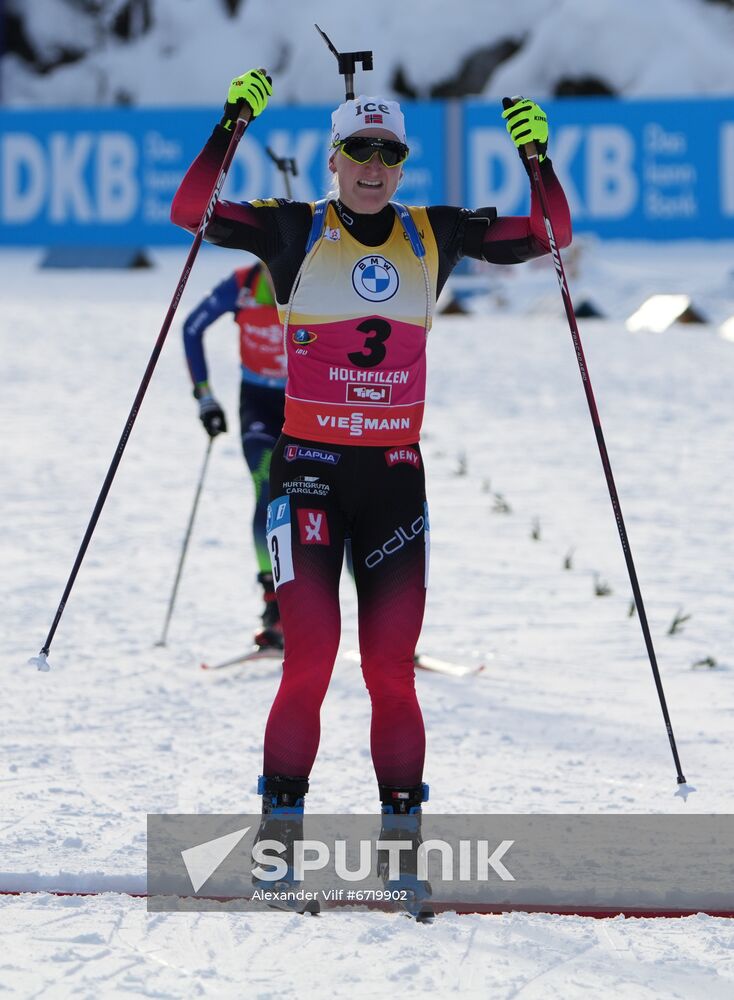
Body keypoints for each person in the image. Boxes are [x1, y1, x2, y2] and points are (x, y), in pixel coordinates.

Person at [171, 69, 571, 908]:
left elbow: (551, 234)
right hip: (308, 476)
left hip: (393, 481)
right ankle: (281, 839)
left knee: (391, 670)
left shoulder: (435, 233)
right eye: (360, 148)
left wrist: (536, 156)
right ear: (335, 157)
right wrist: (232, 121)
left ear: (402, 162)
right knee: (310, 658)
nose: (374, 163)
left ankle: (401, 847)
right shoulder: (295, 231)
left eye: (389, 151)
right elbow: (191, 213)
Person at [183, 260, 286, 650]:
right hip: (258, 403)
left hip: (307, 403)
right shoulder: (244, 284)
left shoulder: (315, 278)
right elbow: (192, 328)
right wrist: (205, 396)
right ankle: (273, 605)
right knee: (267, 489)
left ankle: (368, 620)